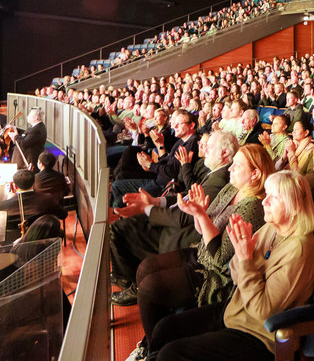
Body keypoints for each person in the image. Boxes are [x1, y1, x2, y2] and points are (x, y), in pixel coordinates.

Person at [146, 171, 314, 361]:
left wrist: (245, 259)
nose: (264, 201)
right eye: (267, 193)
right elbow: (236, 276)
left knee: (170, 355)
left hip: (260, 336)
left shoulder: (300, 250)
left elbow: (262, 310)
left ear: (294, 206)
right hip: (235, 312)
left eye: (274, 197)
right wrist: (240, 253)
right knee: (164, 329)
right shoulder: (272, 228)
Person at [125, 143, 271, 352]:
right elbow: (203, 230)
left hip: (217, 274)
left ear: (255, 174)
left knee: (149, 289)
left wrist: (202, 215)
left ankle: (152, 351)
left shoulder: (253, 206)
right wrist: (197, 212)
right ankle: (153, 339)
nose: (229, 168)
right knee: (144, 268)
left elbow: (220, 256)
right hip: (201, 253)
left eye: (237, 166)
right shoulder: (231, 188)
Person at [109, 132, 239, 306]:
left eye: (210, 146)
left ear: (224, 153)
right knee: (125, 224)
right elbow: (186, 196)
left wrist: (147, 208)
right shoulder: (214, 171)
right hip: (174, 221)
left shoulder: (221, 177)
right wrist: (155, 201)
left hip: (180, 235)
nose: (204, 148)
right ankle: (127, 277)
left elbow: (183, 217)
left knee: (118, 229)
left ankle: (132, 284)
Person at [110, 110, 200, 207]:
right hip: (158, 179)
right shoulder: (180, 141)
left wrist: (150, 165)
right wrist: (158, 150)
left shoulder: (192, 143)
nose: (175, 126)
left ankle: (131, 216)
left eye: (179, 124)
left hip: (163, 186)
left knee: (119, 202)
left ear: (191, 125)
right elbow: (166, 161)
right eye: (175, 123)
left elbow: (171, 173)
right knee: (116, 185)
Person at [0, 169, 68, 241]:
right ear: (34, 183)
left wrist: (8, 200)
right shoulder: (47, 199)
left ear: (15, 186)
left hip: (14, 245)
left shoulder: (3, 205)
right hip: (43, 243)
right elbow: (63, 214)